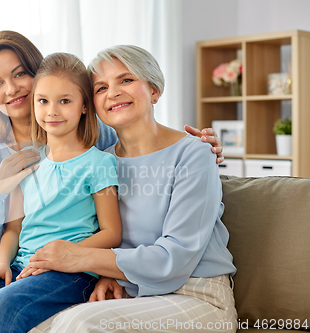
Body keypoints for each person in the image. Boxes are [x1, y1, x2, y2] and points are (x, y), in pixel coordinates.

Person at [0, 30, 224, 332]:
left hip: (103, 272)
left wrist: (203, 146)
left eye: (19, 74)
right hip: (22, 263)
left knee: (15, 310)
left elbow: (117, 226)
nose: (11, 89)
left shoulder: (101, 145)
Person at [24, 45, 237, 333]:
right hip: (133, 292)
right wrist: (112, 275)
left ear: (154, 90)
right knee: (33, 324)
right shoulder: (102, 162)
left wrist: (79, 256)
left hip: (197, 296)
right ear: (91, 105)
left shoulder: (193, 153)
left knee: (80, 323)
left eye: (126, 80)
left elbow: (175, 257)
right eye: (100, 88)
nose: (112, 92)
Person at [0, 52, 122, 332]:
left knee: (1, 306)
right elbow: (14, 228)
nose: (52, 111)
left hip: (72, 270)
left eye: (65, 101)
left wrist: (64, 253)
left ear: (84, 106)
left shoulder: (99, 162)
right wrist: (0, 264)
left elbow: (112, 232)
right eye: (43, 101)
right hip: (22, 264)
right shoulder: (28, 162)